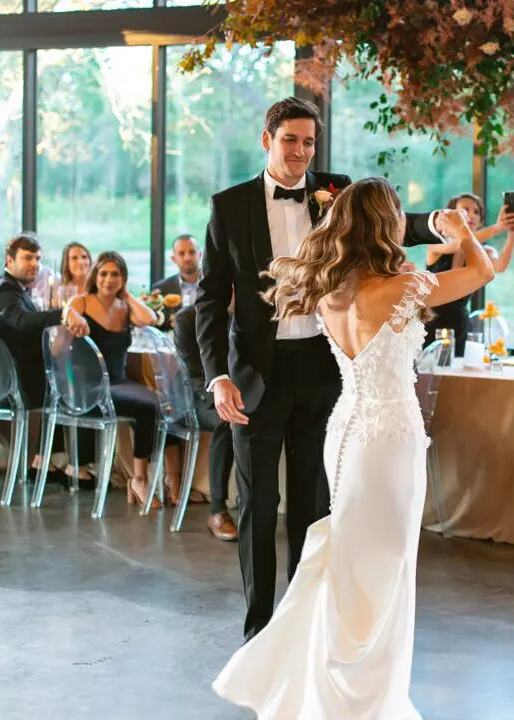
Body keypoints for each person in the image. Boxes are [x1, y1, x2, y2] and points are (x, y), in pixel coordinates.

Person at [212, 177, 500, 717]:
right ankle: (367, 700)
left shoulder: (328, 288)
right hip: (389, 437)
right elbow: (483, 272)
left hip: (344, 430)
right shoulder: (403, 284)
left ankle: (331, 683)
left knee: (348, 559)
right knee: (387, 566)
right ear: (384, 223)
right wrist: (460, 229)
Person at [196, 96, 451, 643]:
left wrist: (435, 222)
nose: (300, 151)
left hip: (323, 371)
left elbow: (388, 225)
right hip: (254, 379)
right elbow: (211, 300)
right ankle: (261, 628)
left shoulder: (335, 191)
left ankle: (307, 622)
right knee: (259, 506)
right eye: (290, 139)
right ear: (267, 140)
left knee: (314, 508)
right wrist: (217, 374)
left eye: (309, 142)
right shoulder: (229, 206)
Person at [66, 251, 181, 509]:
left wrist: (126, 294)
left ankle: (161, 479)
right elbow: (68, 313)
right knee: (148, 405)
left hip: (118, 382)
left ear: (123, 278)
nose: (108, 279)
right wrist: (71, 316)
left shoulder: (124, 306)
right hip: (90, 387)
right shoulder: (82, 301)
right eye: (103, 273)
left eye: (115, 274)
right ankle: (139, 479)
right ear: (95, 276)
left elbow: (149, 319)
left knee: (161, 402)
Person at [0, 234, 90, 479]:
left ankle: (53, 460)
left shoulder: (18, 290)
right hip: (18, 385)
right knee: (81, 383)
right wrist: (63, 314)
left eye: (37, 258)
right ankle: (78, 465)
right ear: (9, 260)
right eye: (27, 258)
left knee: (71, 376)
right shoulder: (6, 289)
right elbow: (19, 321)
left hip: (20, 381)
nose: (35, 264)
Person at [424, 192, 514, 355]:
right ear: (451, 216)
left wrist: (512, 233)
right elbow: (459, 243)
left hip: (460, 325)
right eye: (465, 210)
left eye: (477, 212)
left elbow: (501, 265)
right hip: (428, 323)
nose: (472, 215)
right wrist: (497, 228)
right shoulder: (436, 245)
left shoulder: (484, 253)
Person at [172, 305, 237, 541]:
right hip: (198, 396)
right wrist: (225, 398)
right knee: (226, 419)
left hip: (241, 390)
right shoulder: (187, 319)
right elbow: (195, 375)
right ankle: (218, 510)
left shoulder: (247, 313)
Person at [152, 234, 201, 302]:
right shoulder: (161, 289)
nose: (187, 258)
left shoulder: (216, 284)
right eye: (181, 253)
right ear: (173, 258)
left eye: (192, 252)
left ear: (200, 255)